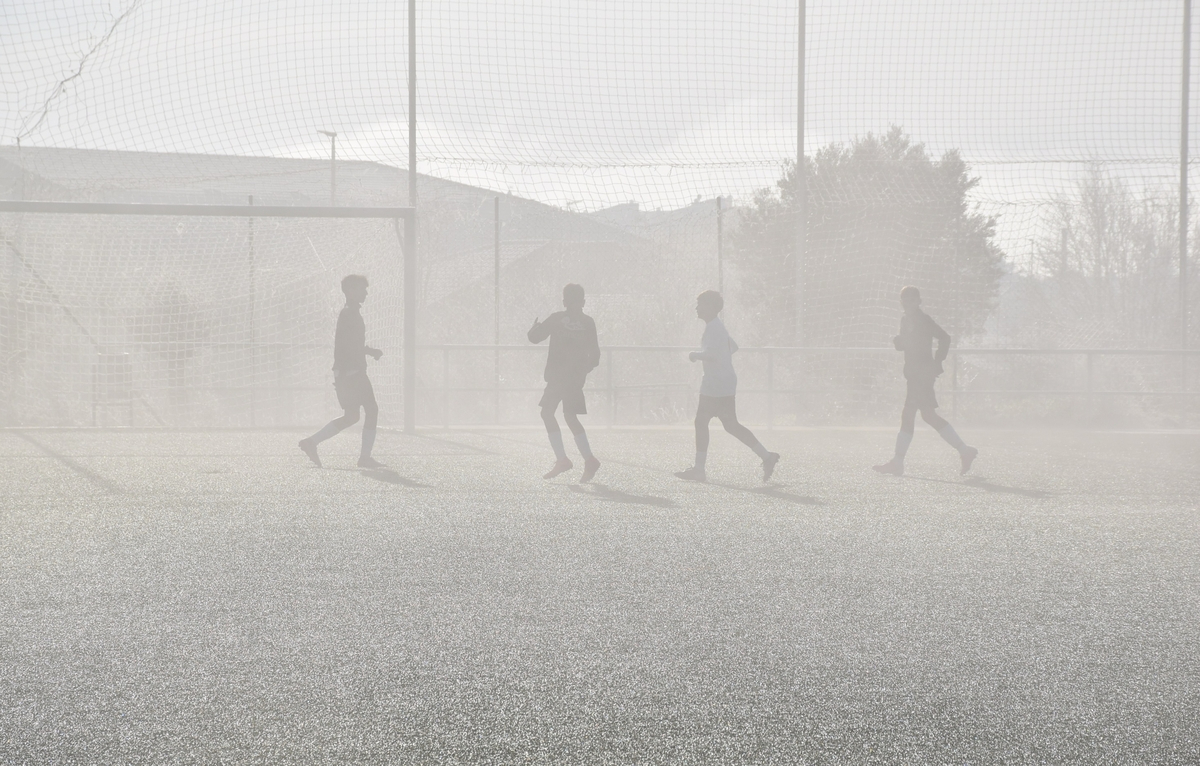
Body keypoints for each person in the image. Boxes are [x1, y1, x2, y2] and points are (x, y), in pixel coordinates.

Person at [676, 290, 779, 483]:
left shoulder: (714, 328)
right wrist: (721, 358)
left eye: (700, 303)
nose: (696, 307)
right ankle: (767, 457)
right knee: (730, 425)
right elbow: (733, 347)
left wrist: (694, 355)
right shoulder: (716, 327)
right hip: (723, 383)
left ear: (712, 307)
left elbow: (713, 354)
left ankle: (699, 470)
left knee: (702, 422)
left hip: (715, 385)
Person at [873, 285, 977, 476]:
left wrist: (937, 362)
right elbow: (910, 344)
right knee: (928, 416)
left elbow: (945, 338)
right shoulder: (905, 320)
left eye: (912, 299)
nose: (908, 303)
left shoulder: (923, 319)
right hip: (914, 375)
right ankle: (965, 451)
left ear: (919, 301)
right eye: (905, 299)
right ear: (901, 302)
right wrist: (900, 342)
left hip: (922, 376)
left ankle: (897, 462)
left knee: (908, 415)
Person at [299, 274, 385, 469]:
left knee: (352, 416)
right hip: (352, 373)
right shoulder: (349, 314)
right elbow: (350, 345)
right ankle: (364, 458)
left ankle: (311, 442)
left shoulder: (350, 313)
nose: (366, 293)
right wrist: (370, 351)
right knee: (371, 409)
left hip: (346, 372)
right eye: (362, 289)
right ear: (351, 291)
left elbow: (351, 344)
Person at [528, 283, 602, 481]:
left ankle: (562, 459)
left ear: (564, 302)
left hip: (556, 377)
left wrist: (533, 328)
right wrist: (581, 371)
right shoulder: (588, 322)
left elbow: (534, 338)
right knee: (570, 416)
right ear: (584, 302)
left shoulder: (557, 318)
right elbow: (595, 356)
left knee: (546, 413)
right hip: (574, 379)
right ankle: (589, 459)